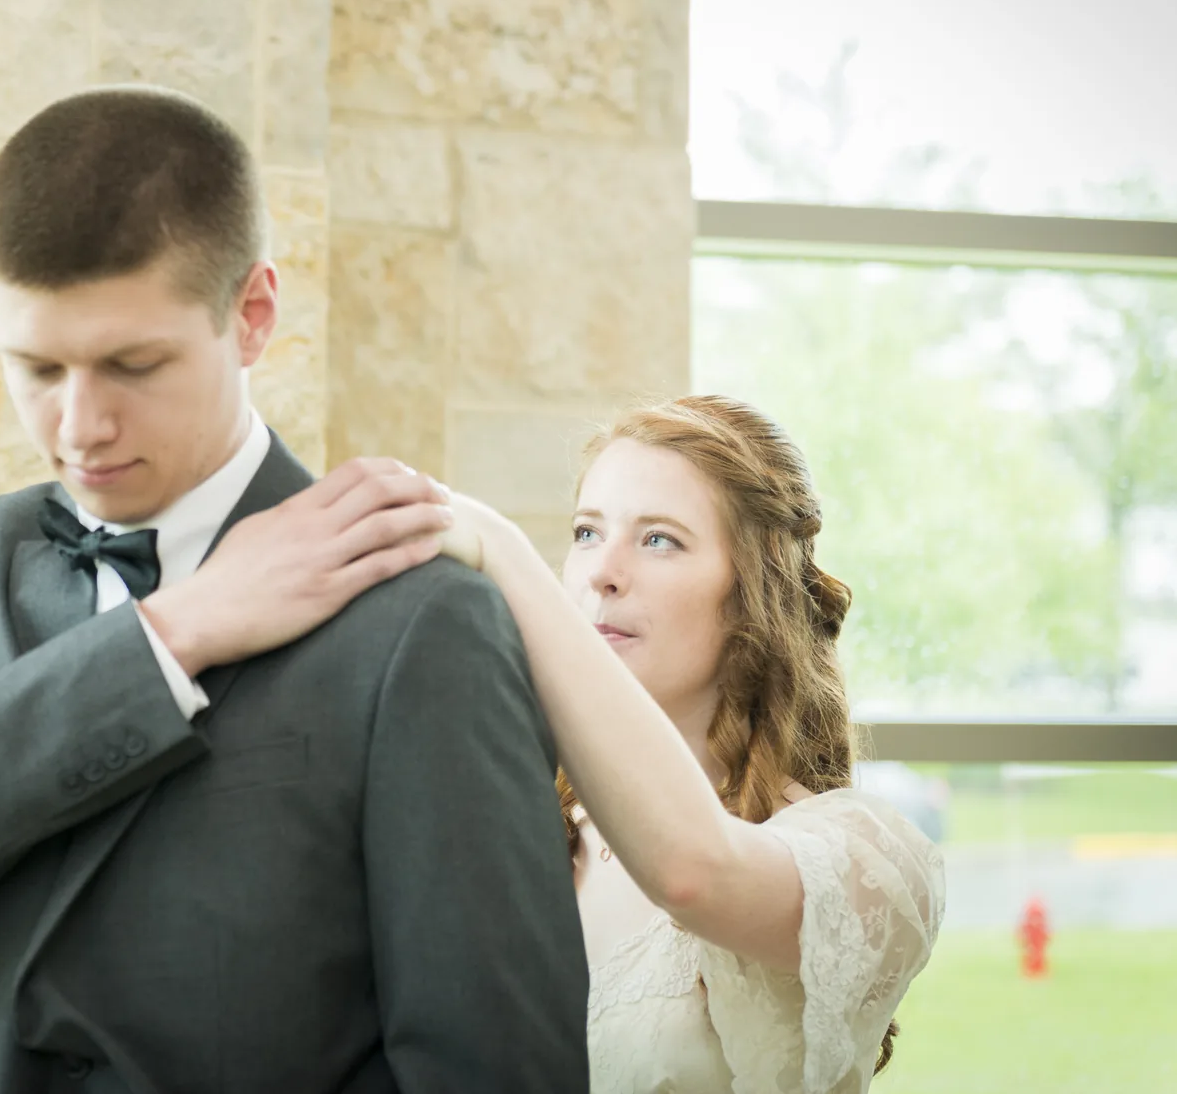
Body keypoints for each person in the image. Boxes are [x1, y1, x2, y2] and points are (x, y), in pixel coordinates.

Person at [0, 86, 589, 1093]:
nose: (80, 426)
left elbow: (495, 1065)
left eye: (132, 364)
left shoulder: (421, 620)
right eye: (36, 368)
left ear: (251, 316)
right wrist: (171, 633)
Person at [258, 395, 947, 1093]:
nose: (601, 572)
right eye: (587, 532)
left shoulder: (864, 859)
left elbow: (693, 872)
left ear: (753, 590)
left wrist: (499, 545)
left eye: (659, 540)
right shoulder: (514, 826)